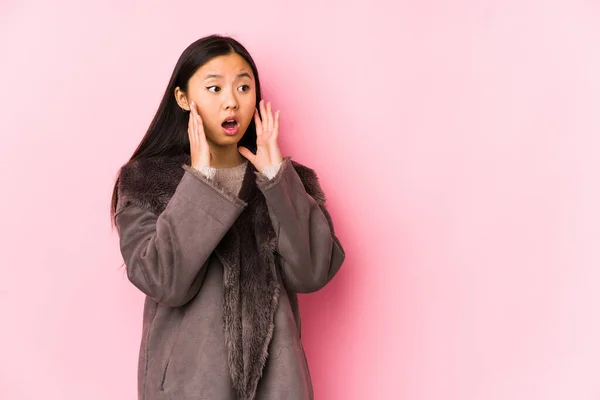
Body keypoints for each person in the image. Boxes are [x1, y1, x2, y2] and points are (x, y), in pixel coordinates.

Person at [110, 34, 345, 400]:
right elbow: (164, 281)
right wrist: (200, 181)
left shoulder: (286, 182)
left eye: (243, 87)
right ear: (184, 98)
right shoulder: (146, 181)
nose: (232, 101)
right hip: (186, 388)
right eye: (215, 88)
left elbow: (312, 272)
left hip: (279, 387)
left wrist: (276, 180)